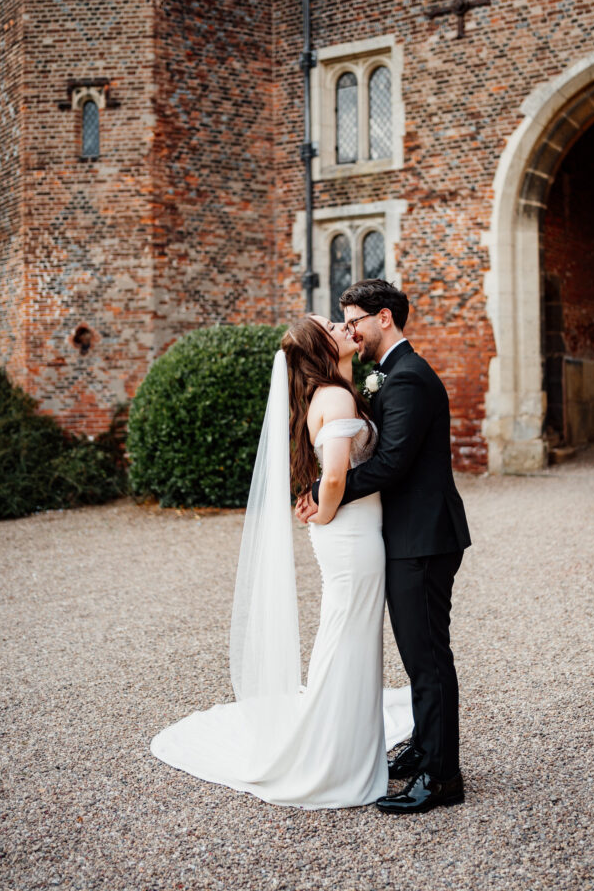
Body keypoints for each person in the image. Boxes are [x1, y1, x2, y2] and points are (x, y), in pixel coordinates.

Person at [150, 315, 412, 809]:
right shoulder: (333, 398)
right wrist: (324, 512)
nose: (343, 325)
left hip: (352, 534)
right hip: (351, 536)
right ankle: (333, 757)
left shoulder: (333, 391)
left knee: (349, 633)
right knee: (346, 635)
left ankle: (349, 749)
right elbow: (333, 478)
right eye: (333, 325)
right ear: (321, 347)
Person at [297, 279, 471, 815]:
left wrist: (329, 494)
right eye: (344, 323)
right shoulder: (387, 375)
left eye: (354, 320)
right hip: (405, 536)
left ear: (384, 319)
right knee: (417, 652)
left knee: (427, 657)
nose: (350, 329)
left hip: (422, 538)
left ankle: (442, 777)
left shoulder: (409, 379)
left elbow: (392, 462)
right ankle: (425, 747)